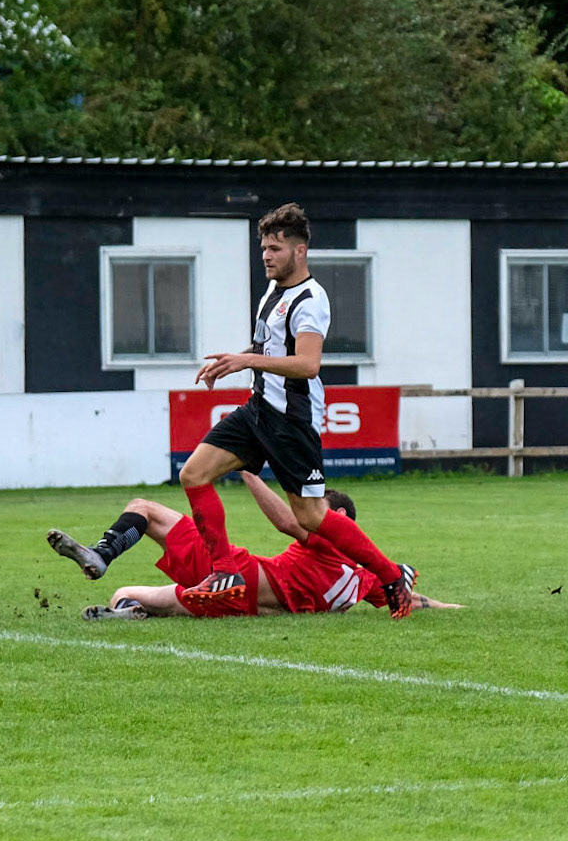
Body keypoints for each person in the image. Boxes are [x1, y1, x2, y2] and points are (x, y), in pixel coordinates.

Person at [174, 202, 419, 617]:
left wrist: (246, 361)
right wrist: (236, 359)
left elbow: (307, 364)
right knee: (193, 474)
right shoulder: (273, 292)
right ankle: (225, 572)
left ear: (299, 251)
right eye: (263, 249)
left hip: (290, 419)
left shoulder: (311, 299)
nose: (266, 256)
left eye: (275, 249)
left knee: (311, 517)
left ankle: (392, 575)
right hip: (259, 409)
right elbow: (271, 347)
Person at [49, 471, 460, 619]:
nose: (310, 513)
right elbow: (405, 597)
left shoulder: (328, 539)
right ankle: (130, 614)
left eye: (318, 509)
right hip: (241, 607)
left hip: (234, 576)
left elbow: (285, 521)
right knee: (123, 595)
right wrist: (450, 608)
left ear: (337, 518)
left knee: (145, 508)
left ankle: (102, 554)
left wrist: (246, 470)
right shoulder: (366, 576)